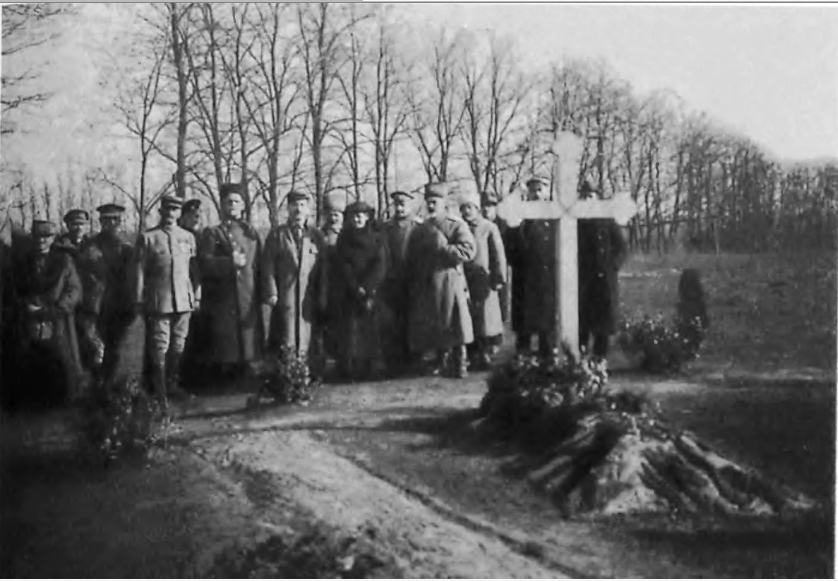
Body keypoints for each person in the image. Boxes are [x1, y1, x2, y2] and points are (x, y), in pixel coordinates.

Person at [9, 220, 85, 407]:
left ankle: (62, 399)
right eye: (37, 237)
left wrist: (55, 309)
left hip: (58, 321)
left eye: (46, 237)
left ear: (53, 239)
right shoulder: (22, 262)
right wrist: (25, 306)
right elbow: (13, 290)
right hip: (30, 321)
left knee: (61, 361)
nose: (41, 241)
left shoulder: (64, 261)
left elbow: (74, 290)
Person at [134, 195, 200, 407]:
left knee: (179, 344)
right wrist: (139, 298)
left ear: (179, 213)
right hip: (159, 301)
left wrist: (197, 294)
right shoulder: (148, 238)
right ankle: (159, 391)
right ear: (161, 211)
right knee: (160, 345)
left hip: (184, 299)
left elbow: (194, 270)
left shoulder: (187, 237)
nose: (171, 213)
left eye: (175, 209)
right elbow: (139, 272)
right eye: (167, 209)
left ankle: (172, 385)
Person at [406, 183, 476, 378]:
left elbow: (468, 251)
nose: (431, 206)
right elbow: (411, 255)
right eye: (428, 202)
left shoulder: (456, 225)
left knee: (456, 323)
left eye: (435, 202)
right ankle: (440, 360)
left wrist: (444, 248)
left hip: (449, 281)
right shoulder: (420, 229)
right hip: (427, 283)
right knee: (436, 322)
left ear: (444, 203)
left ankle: (460, 361)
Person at [198, 183, 263, 377]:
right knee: (228, 344)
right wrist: (228, 262)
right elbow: (205, 263)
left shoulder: (251, 233)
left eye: (236, 202)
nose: (232, 205)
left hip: (248, 294)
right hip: (224, 298)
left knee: (248, 338)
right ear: (222, 205)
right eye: (228, 202)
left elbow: (259, 264)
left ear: (243, 205)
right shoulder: (213, 233)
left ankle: (247, 368)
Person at [261, 190, 327, 365]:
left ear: (308, 210)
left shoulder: (316, 236)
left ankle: (309, 370)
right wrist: (272, 292)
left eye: (302, 205)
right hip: (286, 294)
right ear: (288, 209)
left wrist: (322, 293)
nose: (298, 210)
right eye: (294, 205)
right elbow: (268, 265)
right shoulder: (277, 235)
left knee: (309, 332)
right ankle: (287, 370)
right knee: (286, 333)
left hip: (309, 295)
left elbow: (323, 268)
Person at [76, 203, 135, 381]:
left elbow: (132, 277)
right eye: (107, 220)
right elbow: (82, 273)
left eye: (115, 219)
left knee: (115, 347)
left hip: (120, 305)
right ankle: (97, 382)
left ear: (120, 221)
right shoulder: (90, 245)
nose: (112, 223)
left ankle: (108, 384)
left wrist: (132, 304)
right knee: (94, 347)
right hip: (96, 306)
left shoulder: (127, 247)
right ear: (101, 221)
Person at [332, 201, 387, 381]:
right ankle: (349, 370)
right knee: (350, 334)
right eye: (353, 216)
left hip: (372, 294)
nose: (357, 219)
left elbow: (380, 264)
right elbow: (343, 265)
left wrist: (368, 287)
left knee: (370, 333)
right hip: (349, 294)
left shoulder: (377, 238)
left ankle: (371, 369)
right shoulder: (343, 239)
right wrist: (355, 287)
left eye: (360, 216)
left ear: (367, 217)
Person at [577, 181, 628, 359]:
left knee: (602, 325)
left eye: (590, 195)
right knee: (581, 323)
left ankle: (600, 360)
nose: (587, 199)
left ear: (597, 198)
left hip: (603, 281)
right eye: (584, 196)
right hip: (582, 280)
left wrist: (612, 266)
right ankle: (580, 360)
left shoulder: (607, 221)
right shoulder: (575, 222)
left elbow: (621, 247)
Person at [508, 176, 556, 359]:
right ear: (527, 193)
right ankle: (522, 358)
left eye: (539, 190)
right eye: (532, 190)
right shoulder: (519, 218)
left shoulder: (553, 217)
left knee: (546, 324)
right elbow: (509, 244)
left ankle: (547, 357)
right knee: (523, 323)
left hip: (546, 278)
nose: (536, 194)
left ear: (546, 193)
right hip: (524, 277)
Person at [460, 190, 508, 370]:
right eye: (463, 208)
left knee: (486, 319)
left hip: (484, 279)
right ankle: (472, 354)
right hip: (465, 279)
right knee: (469, 318)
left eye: (470, 207)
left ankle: (486, 353)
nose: (467, 212)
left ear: (477, 208)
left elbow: (498, 254)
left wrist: (499, 276)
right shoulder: (459, 227)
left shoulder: (488, 227)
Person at [379, 190, 420, 377]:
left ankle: (414, 360)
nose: (400, 208)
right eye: (396, 204)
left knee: (413, 321)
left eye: (403, 204)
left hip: (413, 281)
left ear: (410, 205)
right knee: (393, 324)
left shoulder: (418, 227)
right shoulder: (385, 228)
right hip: (391, 283)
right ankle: (394, 363)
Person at [320, 191, 346, 364]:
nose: (334, 218)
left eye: (337, 214)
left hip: (344, 285)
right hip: (325, 283)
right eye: (331, 214)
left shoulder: (348, 234)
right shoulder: (319, 235)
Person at [481, 191, 511, 324]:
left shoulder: (504, 226)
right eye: (484, 205)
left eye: (490, 205)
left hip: (500, 269)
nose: (486, 209)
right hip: (483, 271)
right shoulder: (477, 225)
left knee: (501, 303)